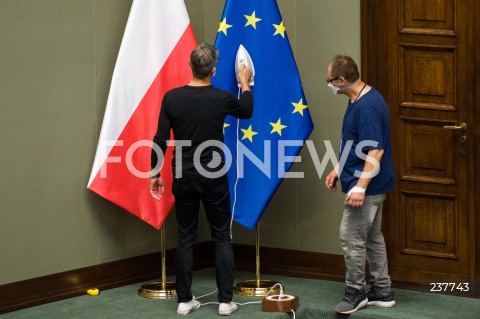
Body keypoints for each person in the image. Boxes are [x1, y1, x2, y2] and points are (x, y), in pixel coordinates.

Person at [149, 43, 253, 316]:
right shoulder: (221, 98)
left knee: (185, 238)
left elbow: (160, 138)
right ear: (214, 70)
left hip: (183, 174)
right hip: (214, 174)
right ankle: (225, 302)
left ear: (190, 66)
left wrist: (154, 172)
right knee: (221, 237)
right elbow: (246, 110)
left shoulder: (171, 98)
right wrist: (244, 83)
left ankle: (184, 300)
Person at [324, 55, 396, 315]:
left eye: (330, 80)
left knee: (351, 237)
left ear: (342, 80)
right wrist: (338, 169)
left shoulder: (366, 107)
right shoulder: (359, 99)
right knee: (373, 236)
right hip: (367, 182)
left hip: (367, 187)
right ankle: (382, 290)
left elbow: (375, 151)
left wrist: (359, 187)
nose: (329, 85)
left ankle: (355, 293)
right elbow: (353, 143)